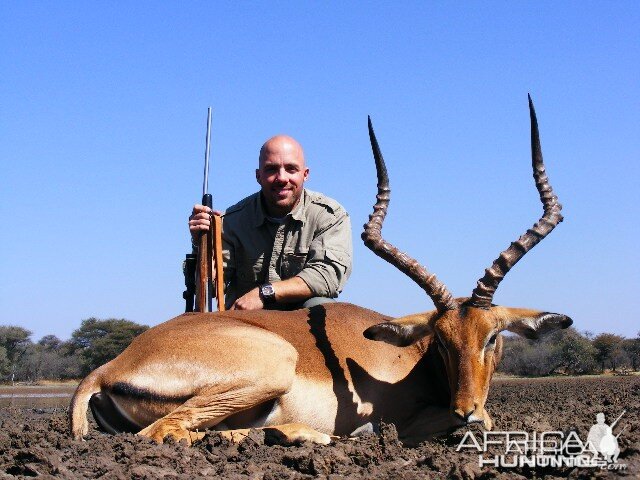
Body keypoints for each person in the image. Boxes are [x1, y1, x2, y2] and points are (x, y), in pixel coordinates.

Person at [189, 135, 352, 310]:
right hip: (245, 319)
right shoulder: (230, 221)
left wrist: (264, 293)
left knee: (324, 308)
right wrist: (201, 244)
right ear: (258, 176)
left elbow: (327, 276)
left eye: (291, 169)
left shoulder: (329, 215)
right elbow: (211, 288)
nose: (281, 178)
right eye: (271, 169)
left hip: (301, 318)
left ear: (305, 175)